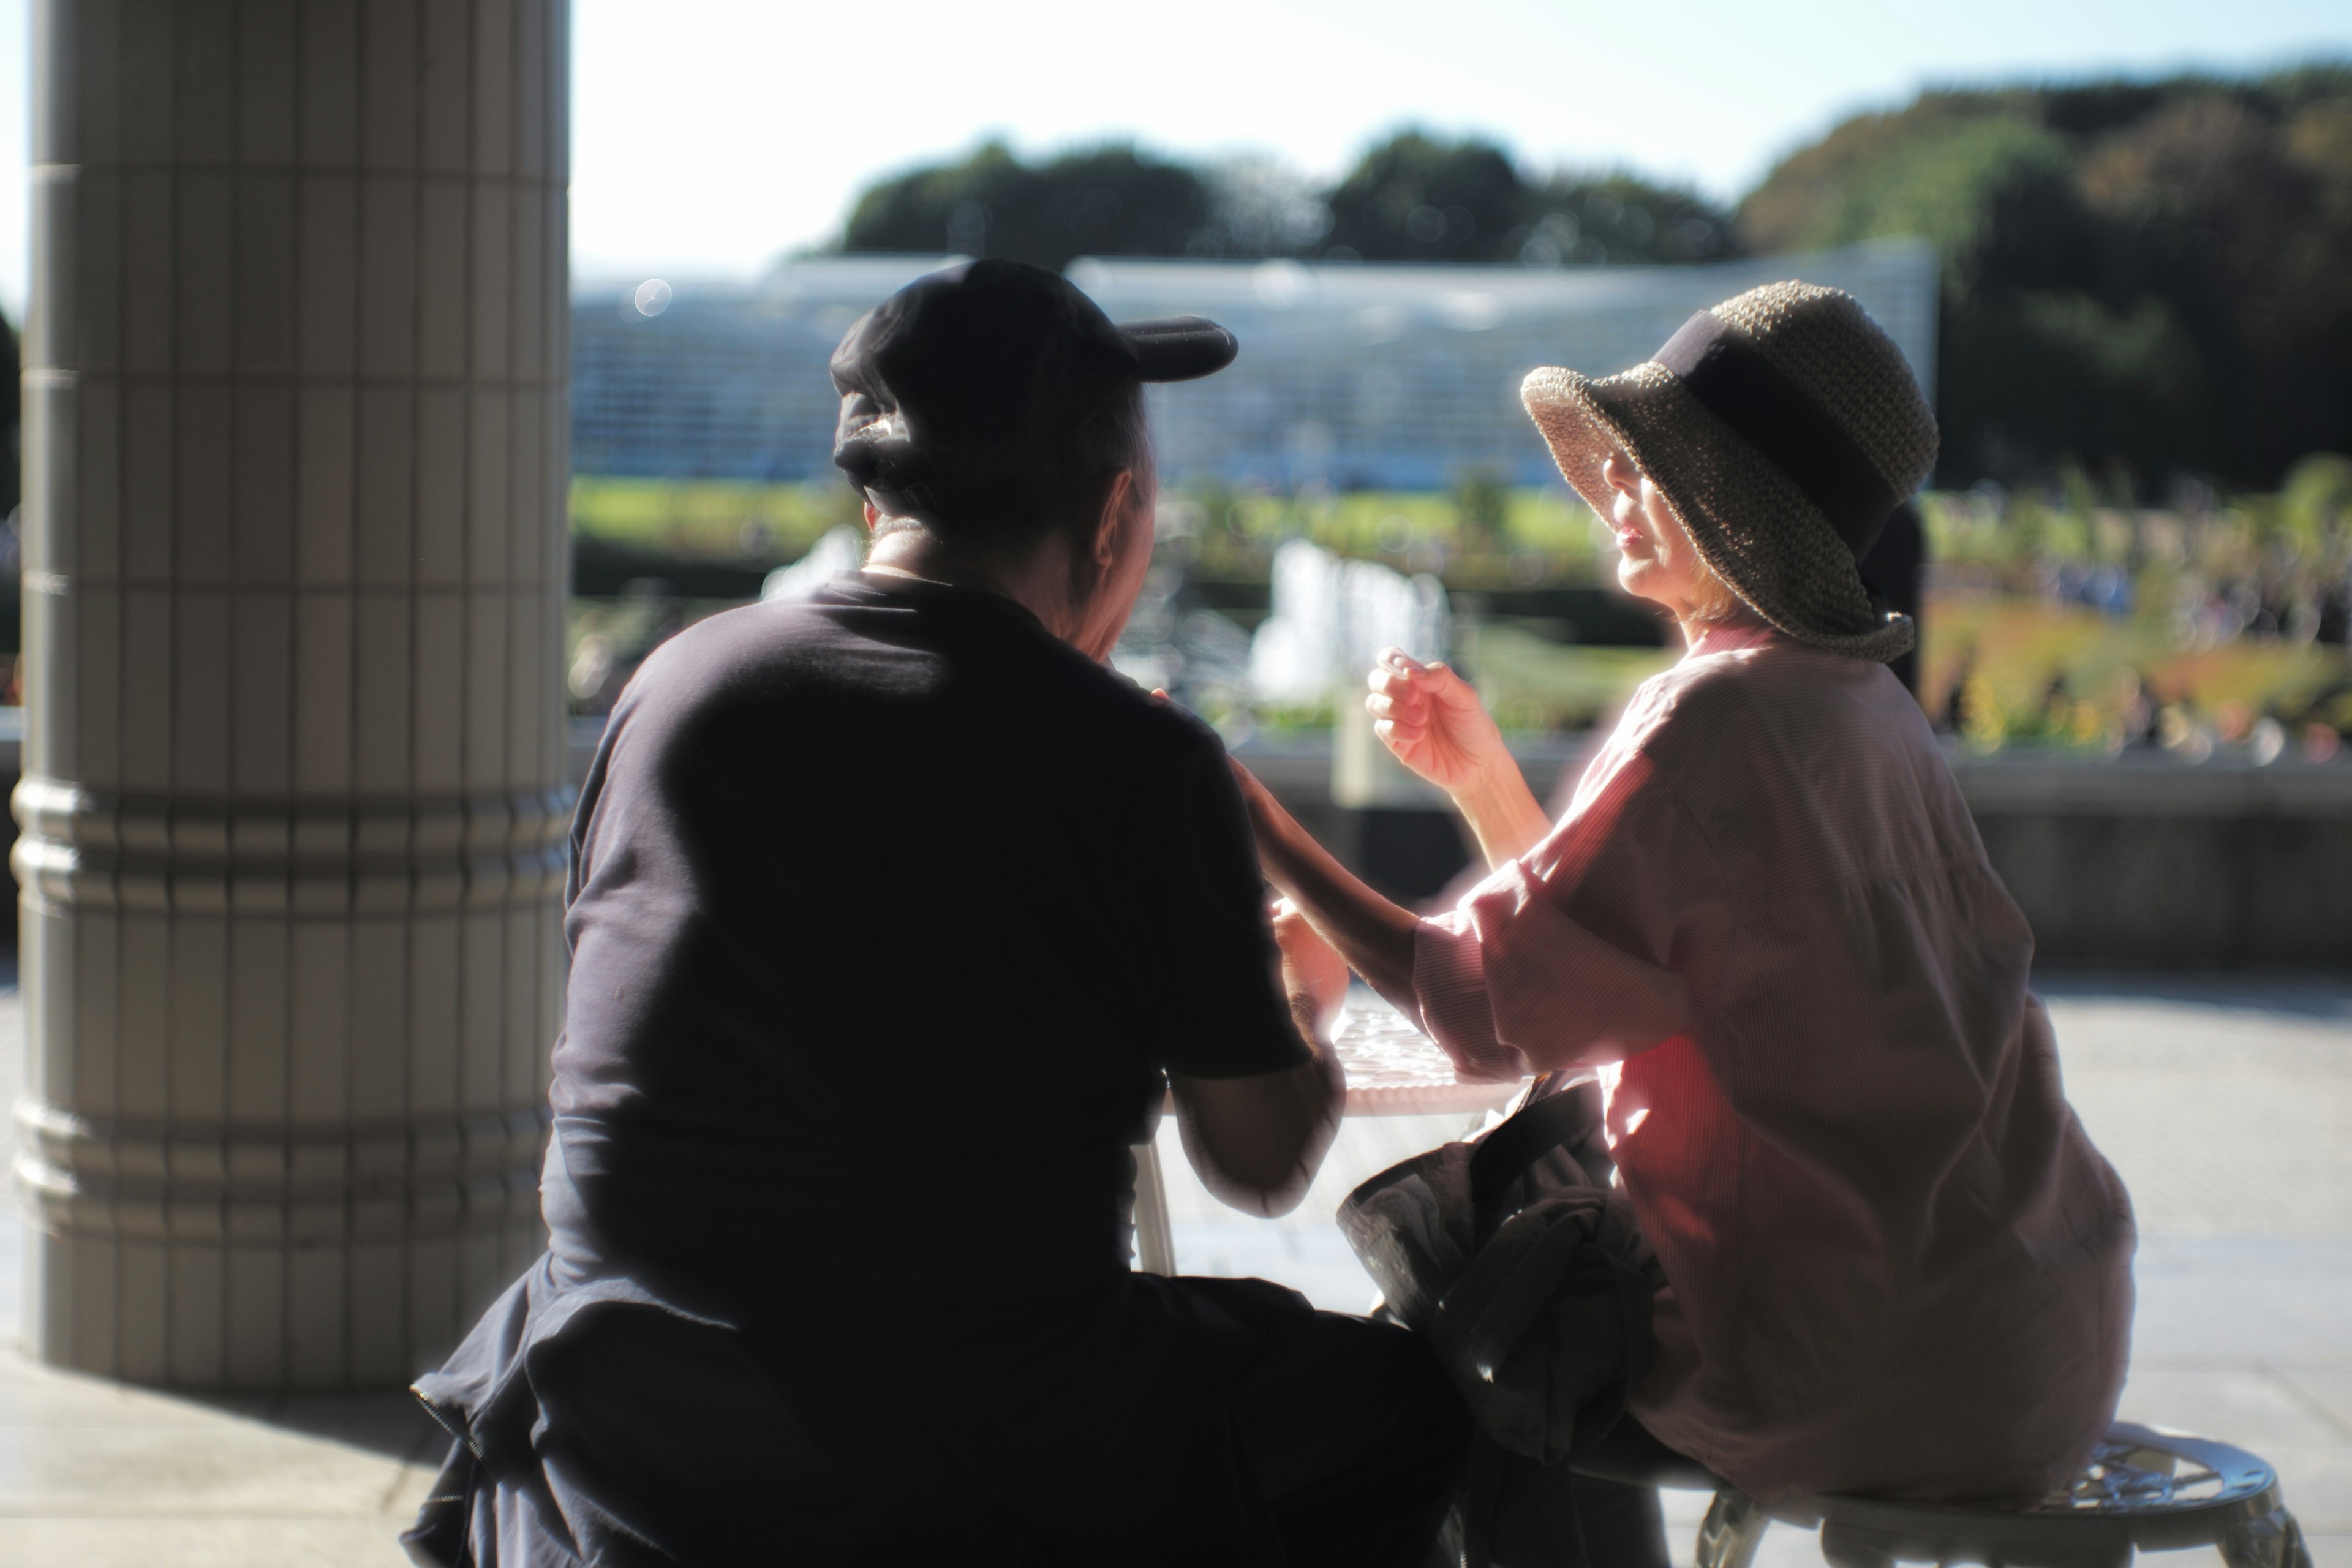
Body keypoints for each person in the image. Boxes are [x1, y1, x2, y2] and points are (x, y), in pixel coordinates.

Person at [401, 260, 1468, 1567]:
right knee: (1408, 1404)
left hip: (616, 1436)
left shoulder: (672, 688)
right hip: (966, 1455)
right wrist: (1292, 990)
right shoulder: (1130, 760)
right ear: (1117, 510)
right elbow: (1256, 1162)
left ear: (868, 502)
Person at [1234, 284, 2136, 1535]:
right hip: (2038, 1344)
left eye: (1648, 461)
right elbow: (1602, 972)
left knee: (1480, 1347)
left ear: (1733, 507)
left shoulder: (1711, 713)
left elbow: (1484, 1011)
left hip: (1853, 1368)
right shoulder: (1860, 708)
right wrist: (1486, 782)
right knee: (1539, 1323)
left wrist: (1257, 826)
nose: (1611, 483)